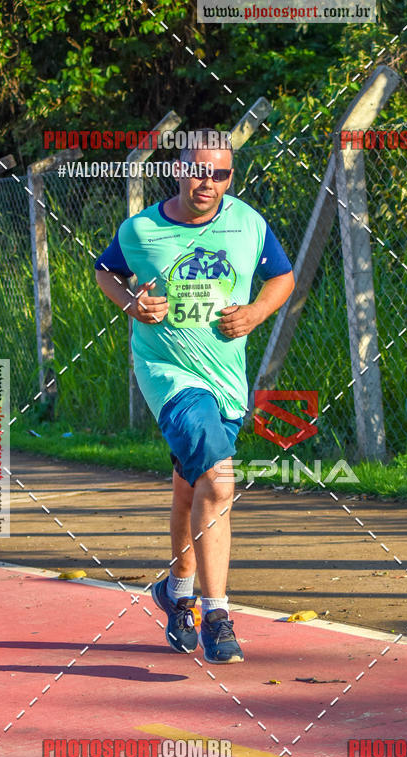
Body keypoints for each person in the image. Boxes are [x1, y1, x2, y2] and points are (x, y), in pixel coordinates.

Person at [94, 129, 295, 663]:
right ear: (178, 169)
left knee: (191, 486)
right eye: (198, 170)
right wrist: (132, 302)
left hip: (226, 380)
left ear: (230, 176)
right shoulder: (142, 229)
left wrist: (255, 313)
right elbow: (106, 271)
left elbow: (282, 277)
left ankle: (176, 592)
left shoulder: (249, 223)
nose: (208, 182)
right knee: (219, 480)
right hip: (168, 375)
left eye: (220, 173)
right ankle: (217, 616)